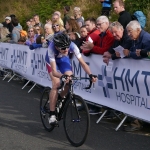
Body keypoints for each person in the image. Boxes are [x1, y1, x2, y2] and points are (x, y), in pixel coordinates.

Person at [47, 33, 97, 124]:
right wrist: (62, 76)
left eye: (67, 47)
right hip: (52, 62)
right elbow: (54, 72)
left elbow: (83, 63)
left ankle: (60, 98)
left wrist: (91, 75)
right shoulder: (51, 48)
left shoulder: (73, 46)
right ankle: (52, 114)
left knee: (70, 79)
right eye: (63, 48)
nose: (66, 50)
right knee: (56, 84)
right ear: (57, 47)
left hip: (63, 60)